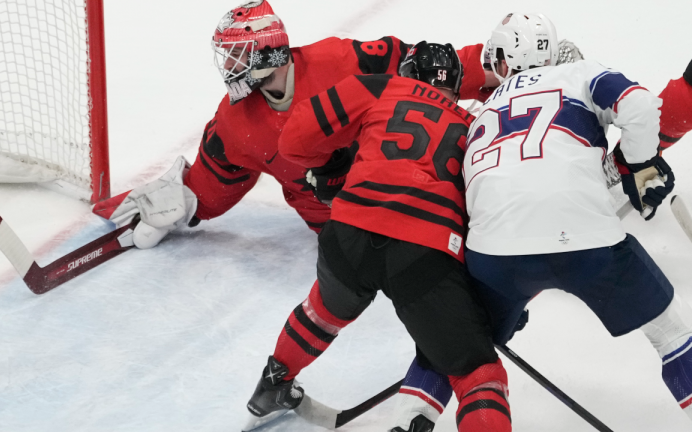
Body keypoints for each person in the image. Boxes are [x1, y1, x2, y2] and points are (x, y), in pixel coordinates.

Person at [243, 42, 513, 432]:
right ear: (456, 86)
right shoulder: (477, 128)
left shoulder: (380, 86)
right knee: (478, 375)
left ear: (406, 72)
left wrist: (333, 167)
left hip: (348, 233)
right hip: (425, 251)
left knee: (322, 313)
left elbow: (294, 140)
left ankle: (272, 384)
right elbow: (487, 211)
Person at [91, 0, 499, 248]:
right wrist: (185, 204)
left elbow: (432, 67)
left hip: (402, 194)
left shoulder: (339, 62)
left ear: (265, 51)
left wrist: (500, 69)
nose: (228, 67)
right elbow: (218, 181)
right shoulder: (236, 121)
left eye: (236, 55)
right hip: (343, 231)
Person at [453, 12, 692, 426]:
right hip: (584, 242)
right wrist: (642, 164)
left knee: (453, 343)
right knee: (671, 335)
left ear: (503, 59)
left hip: (494, 254)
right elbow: (639, 106)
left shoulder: (480, 112)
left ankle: (413, 410)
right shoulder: (578, 75)